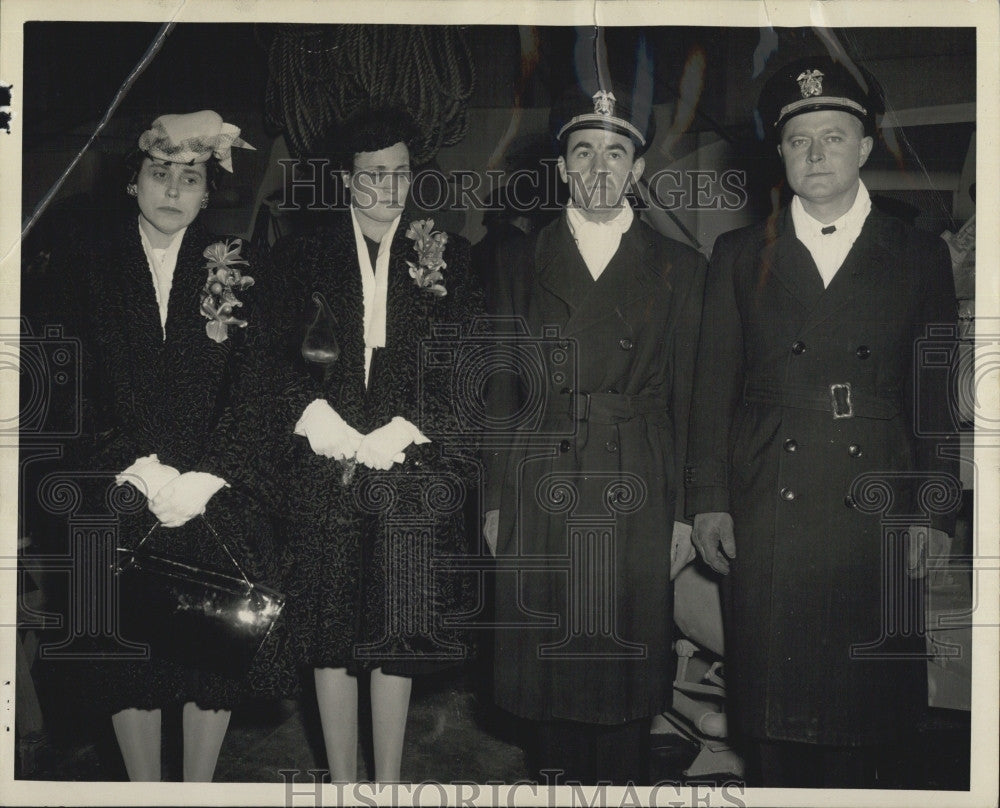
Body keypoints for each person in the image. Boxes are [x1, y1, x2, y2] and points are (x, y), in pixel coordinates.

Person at [682, 55, 959, 788]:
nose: (815, 154)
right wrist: (709, 498)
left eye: (832, 137)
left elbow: (934, 393)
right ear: (779, 152)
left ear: (865, 146)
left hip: (883, 505)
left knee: (875, 719)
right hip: (771, 496)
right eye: (799, 139)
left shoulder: (919, 253)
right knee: (775, 719)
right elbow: (713, 388)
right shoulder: (739, 254)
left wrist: (936, 508)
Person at [214, 107, 483, 783]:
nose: (386, 188)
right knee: (327, 629)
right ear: (344, 180)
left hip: (405, 469)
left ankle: (386, 784)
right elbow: (262, 363)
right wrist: (316, 418)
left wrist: (406, 428)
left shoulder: (450, 254)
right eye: (371, 175)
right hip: (321, 469)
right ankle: (340, 783)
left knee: (393, 626)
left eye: (398, 173)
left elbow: (464, 362)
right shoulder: (297, 255)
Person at [483, 80, 707, 785]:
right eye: (584, 152)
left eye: (616, 153)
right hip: (539, 476)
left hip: (638, 475)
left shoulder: (681, 268)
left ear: (636, 170)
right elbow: (496, 393)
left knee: (623, 666)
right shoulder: (516, 263)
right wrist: (491, 500)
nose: (599, 168)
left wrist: (683, 512)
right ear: (561, 168)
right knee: (549, 666)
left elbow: (693, 399)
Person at [62, 110, 294, 781]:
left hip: (209, 496)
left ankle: (196, 791)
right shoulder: (89, 271)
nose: (172, 188)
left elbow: (262, 384)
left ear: (206, 190)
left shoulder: (245, 268)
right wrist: (132, 465)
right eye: (158, 173)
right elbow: (68, 379)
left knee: (207, 654)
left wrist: (209, 474)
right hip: (123, 488)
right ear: (132, 183)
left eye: (188, 176)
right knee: (126, 654)